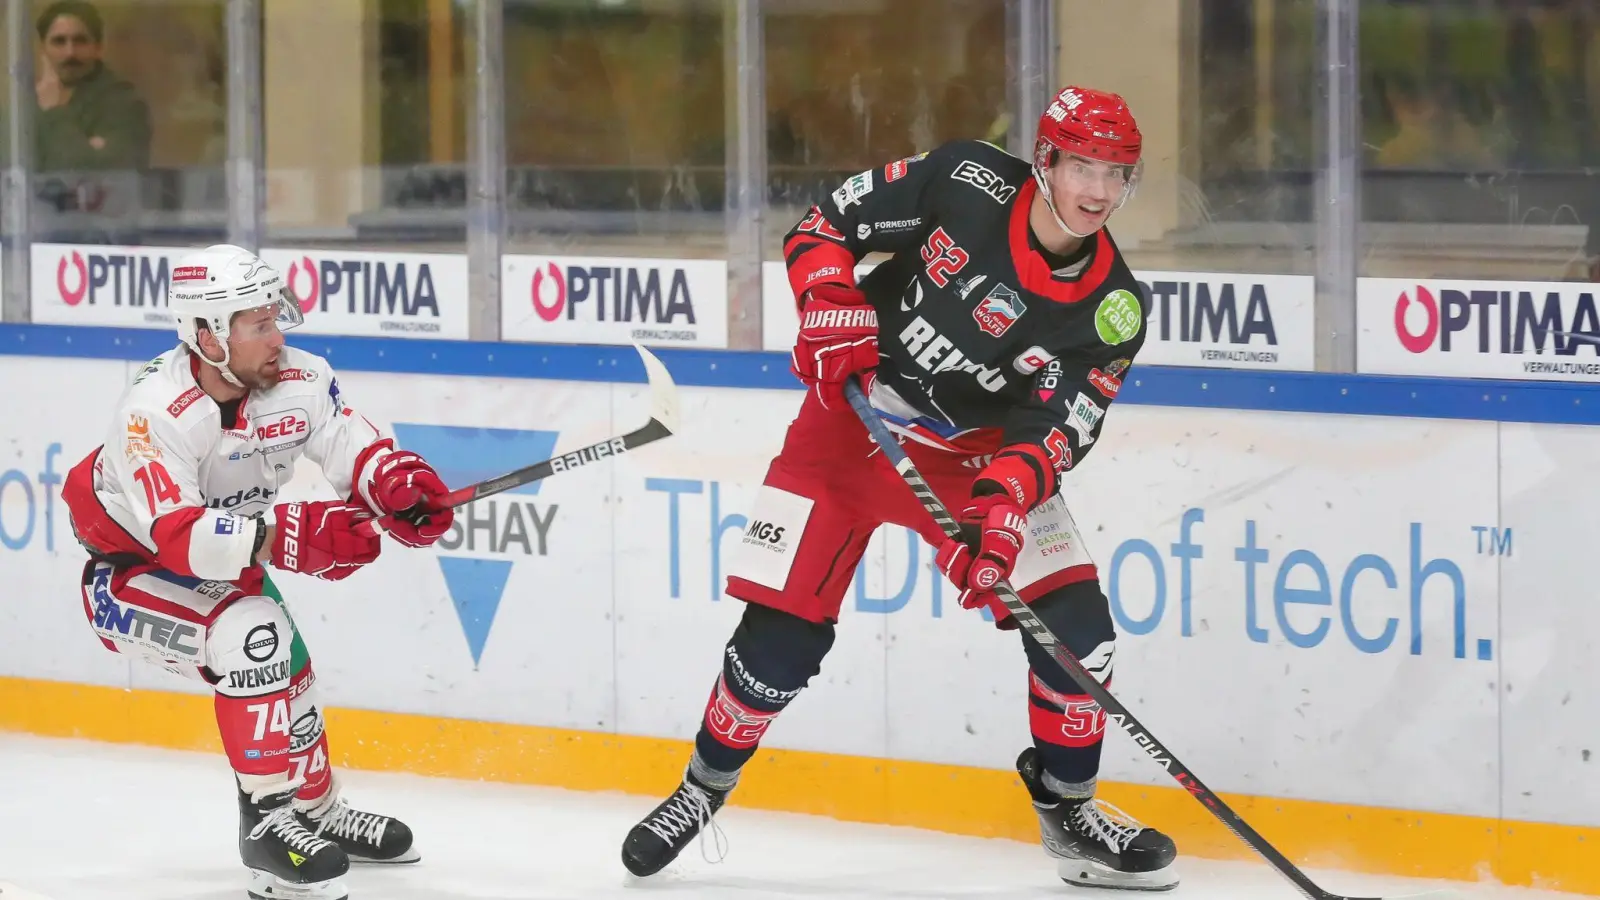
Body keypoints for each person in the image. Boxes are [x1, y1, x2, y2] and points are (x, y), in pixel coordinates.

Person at [621, 86, 1178, 891]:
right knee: (779, 641)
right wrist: (827, 304)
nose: (1098, 191)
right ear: (1045, 160)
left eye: (1117, 173)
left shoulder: (1113, 308)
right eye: (1083, 166)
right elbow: (824, 226)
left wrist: (1003, 506)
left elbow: (1058, 426)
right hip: (849, 424)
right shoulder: (964, 179)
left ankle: (1068, 808)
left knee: (1077, 631)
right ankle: (702, 788)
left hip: (970, 461)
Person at [60, 245, 456, 900]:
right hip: (128, 574)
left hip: (223, 557)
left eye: (276, 318)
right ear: (208, 334)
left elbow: (347, 441)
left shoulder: (298, 378)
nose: (279, 337)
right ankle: (266, 826)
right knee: (255, 637)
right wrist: (288, 536)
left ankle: (315, 812)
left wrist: (392, 483)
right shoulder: (152, 412)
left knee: (288, 667)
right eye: (259, 324)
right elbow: (181, 539)